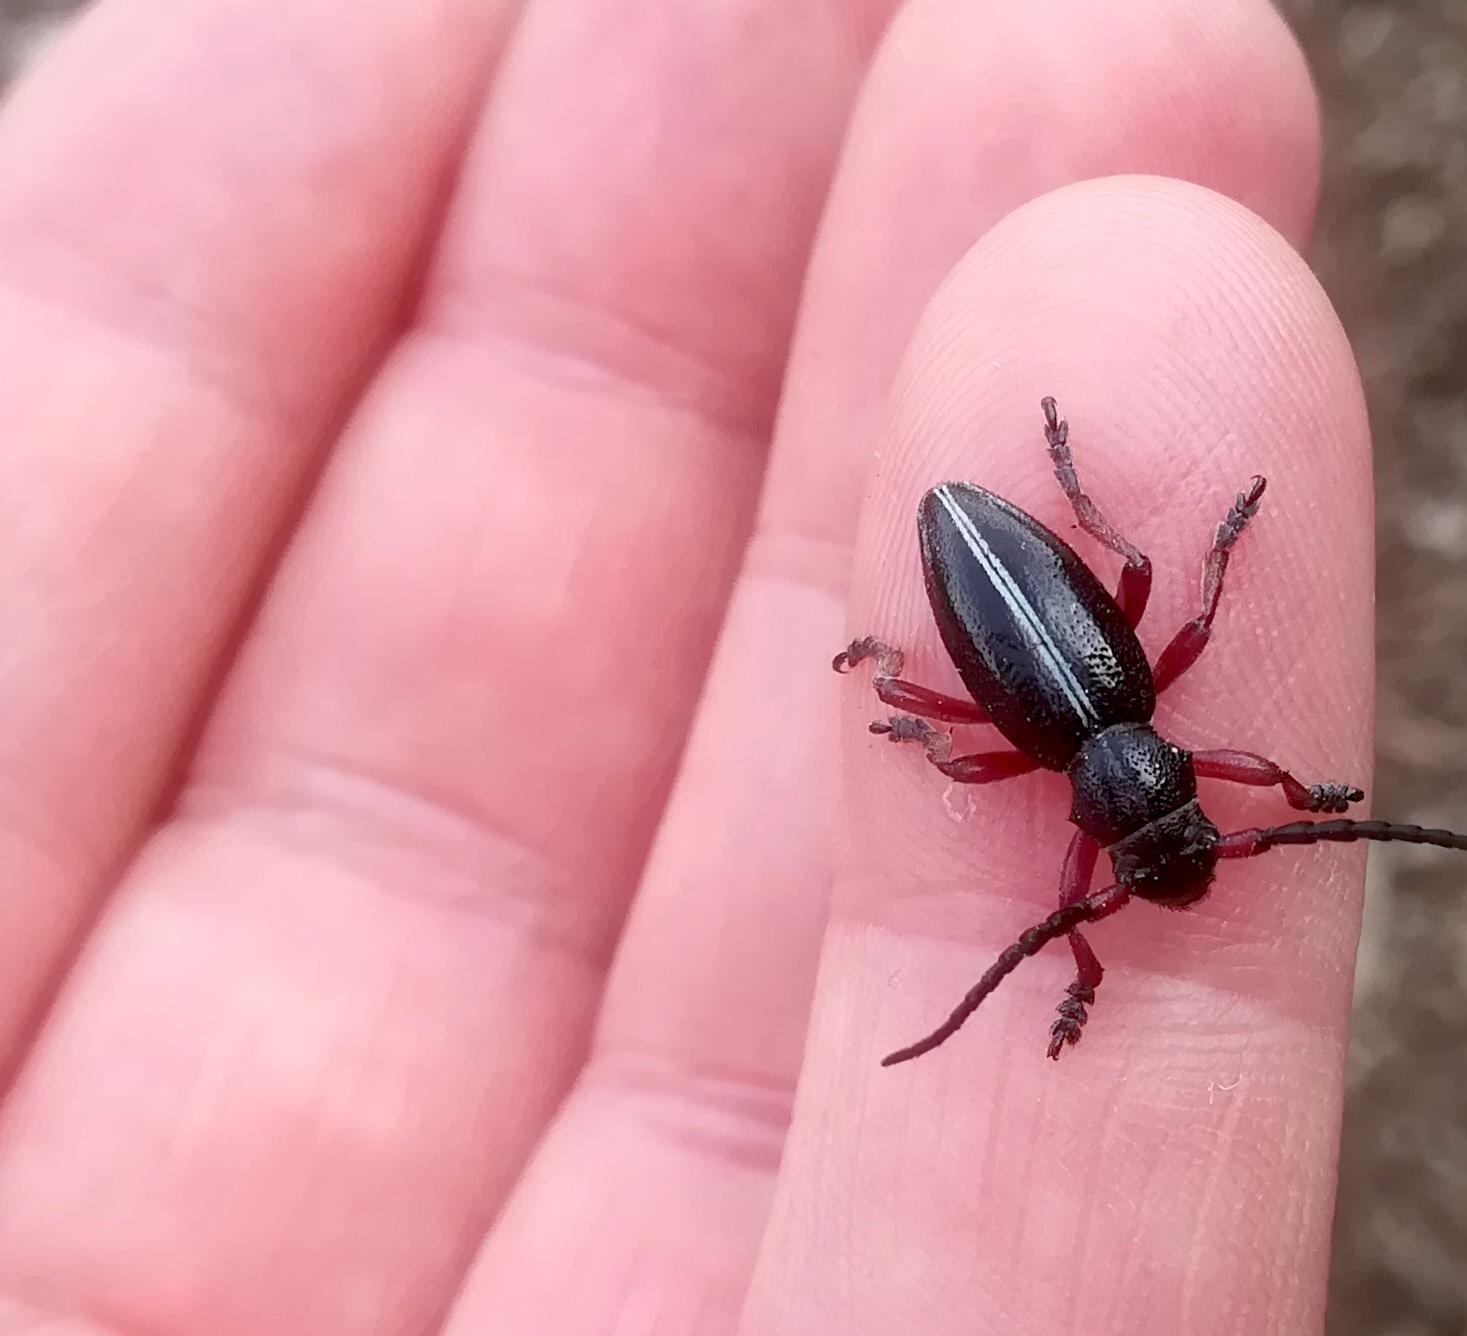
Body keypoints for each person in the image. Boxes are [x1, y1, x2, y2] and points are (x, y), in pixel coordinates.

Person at [0, 0, 1391, 1331]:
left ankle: (1034, 719)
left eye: (1165, 838)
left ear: (1126, 818)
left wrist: (983, 759)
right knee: (1083, 631)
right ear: (1165, 795)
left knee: (980, 698)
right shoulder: (1108, 745)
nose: (1180, 826)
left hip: (999, 606)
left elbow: (1156, 709)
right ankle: (1058, 592)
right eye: (1187, 824)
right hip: (1000, 561)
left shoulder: (1068, 756)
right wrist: (1270, 782)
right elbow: (1186, 638)